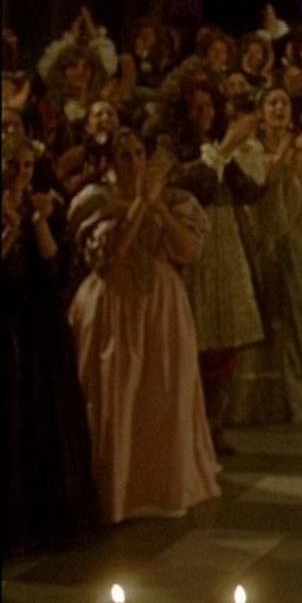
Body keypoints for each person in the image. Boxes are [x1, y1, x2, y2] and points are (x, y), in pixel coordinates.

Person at [68, 132, 220, 523]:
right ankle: (117, 492)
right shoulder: (96, 201)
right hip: (114, 302)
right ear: (110, 163)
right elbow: (112, 255)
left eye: (139, 154)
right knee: (116, 388)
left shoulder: (175, 200)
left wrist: (159, 209)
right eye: (124, 156)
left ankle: (163, 487)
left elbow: (188, 250)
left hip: (161, 304)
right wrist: (140, 205)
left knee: (164, 390)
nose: (134, 162)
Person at [162, 65, 267, 456]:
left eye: (209, 106)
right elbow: (190, 185)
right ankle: (190, 426)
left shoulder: (219, 142)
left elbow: (249, 190)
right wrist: (222, 151)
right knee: (195, 338)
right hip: (193, 247)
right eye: (196, 107)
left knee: (226, 341)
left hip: (226, 244)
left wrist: (240, 152)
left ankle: (214, 423)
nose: (204, 114)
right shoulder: (173, 146)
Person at [4, 133, 100, 552]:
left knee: (45, 415)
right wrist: (11, 228)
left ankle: (50, 518)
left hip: (41, 326)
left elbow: (56, 266)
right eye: (13, 165)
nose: (21, 174)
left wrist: (38, 221)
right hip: (8, 322)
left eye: (27, 166)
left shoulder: (44, 207)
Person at [227, 87, 302, 425]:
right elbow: (259, 187)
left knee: (294, 319)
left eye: (284, 103)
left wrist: (295, 229)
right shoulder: (251, 150)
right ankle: (255, 402)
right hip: (260, 242)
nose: (279, 109)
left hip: (291, 244)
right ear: (260, 111)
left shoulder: (300, 156)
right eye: (272, 103)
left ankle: (295, 398)